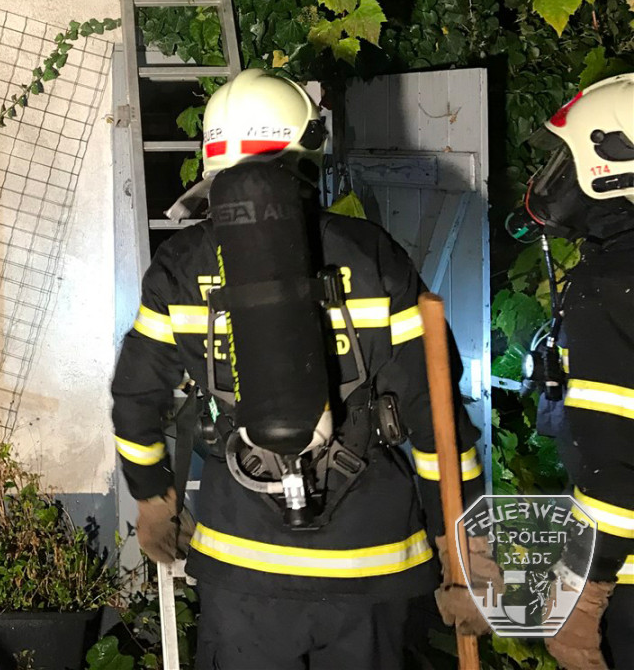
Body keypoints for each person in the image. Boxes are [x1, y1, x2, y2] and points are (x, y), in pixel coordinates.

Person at [111, 69, 491, 670]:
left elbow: (136, 400)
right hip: (372, 562)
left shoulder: (180, 266)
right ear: (307, 149)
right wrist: (463, 545)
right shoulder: (370, 254)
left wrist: (153, 500)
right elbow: (433, 412)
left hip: (243, 566)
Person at [522, 76, 634, 670]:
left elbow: (614, 469)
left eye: (569, 159)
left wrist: (579, 594)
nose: (555, 178)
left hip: (624, 578)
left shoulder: (609, 289)